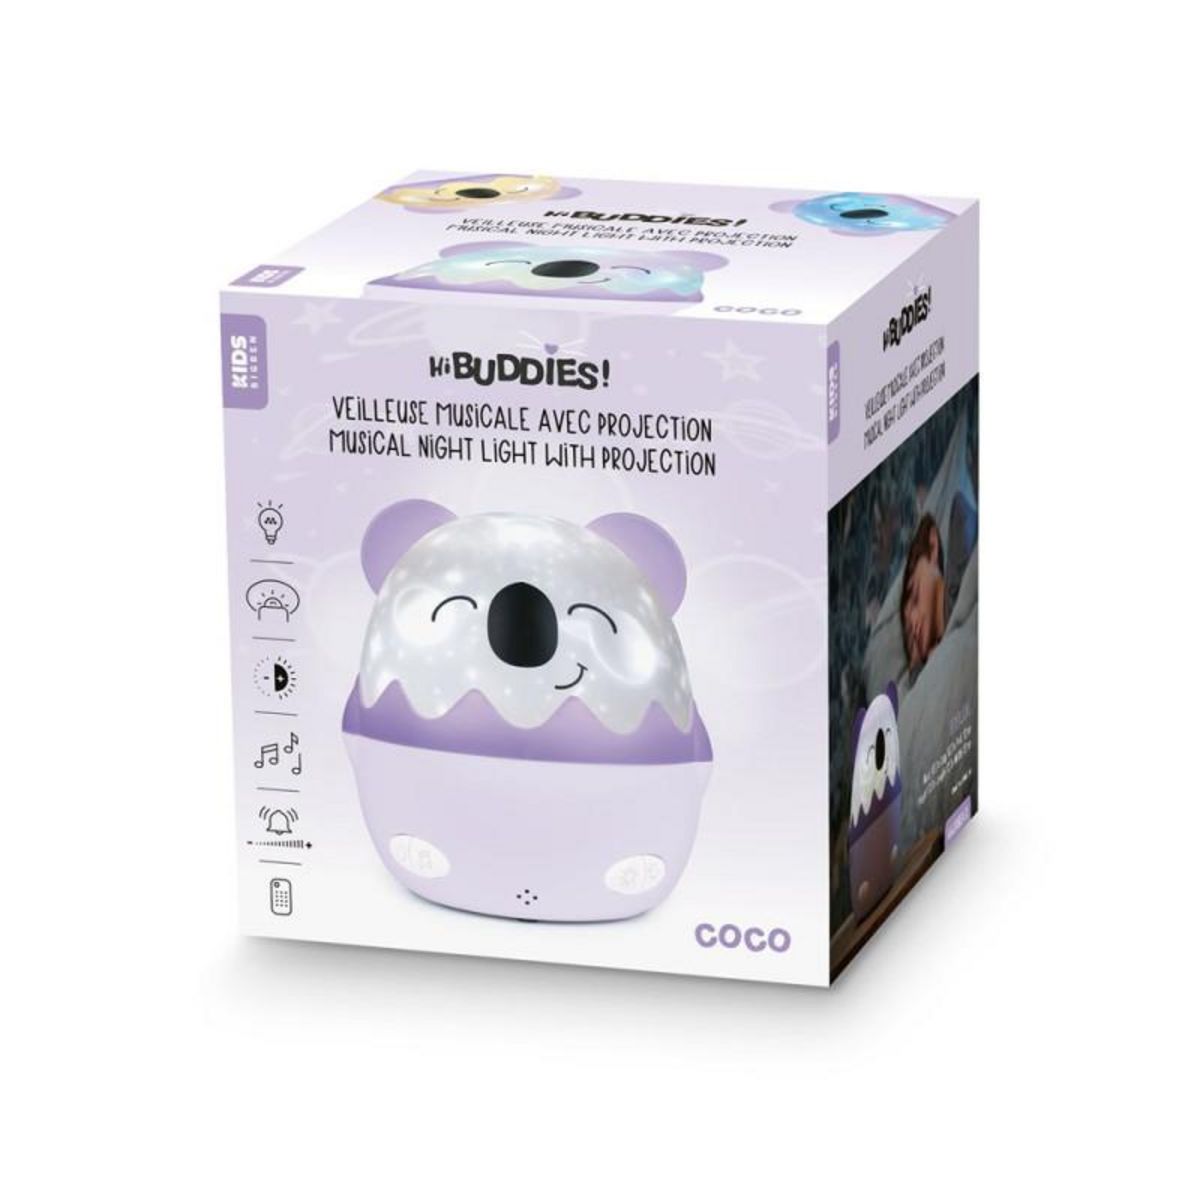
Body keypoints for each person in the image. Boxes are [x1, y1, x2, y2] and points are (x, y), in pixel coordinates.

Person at [901, 494, 973, 674]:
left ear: (933, 546)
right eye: (909, 634)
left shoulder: (959, 532)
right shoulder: (935, 663)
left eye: (915, 597)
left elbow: (961, 513)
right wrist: (917, 661)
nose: (913, 621)